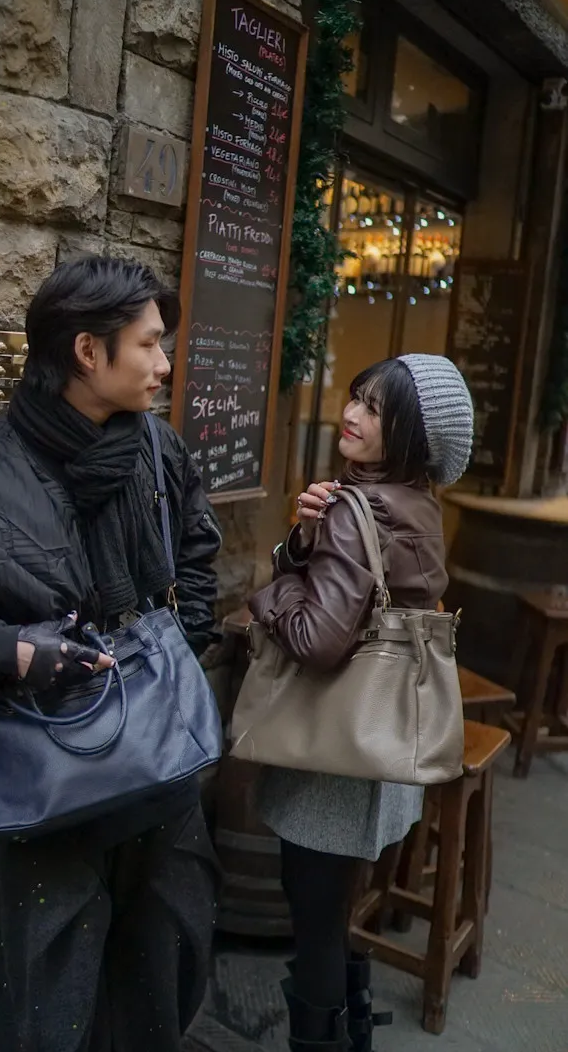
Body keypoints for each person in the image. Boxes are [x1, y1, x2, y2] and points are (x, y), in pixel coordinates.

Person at [0, 256, 223, 1052]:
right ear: (88, 352)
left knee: (161, 987)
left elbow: (196, 558)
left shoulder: (159, 451)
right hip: (42, 795)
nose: (165, 364)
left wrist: (168, 656)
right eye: (149, 344)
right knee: (38, 1017)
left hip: (160, 785)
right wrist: (9, 651)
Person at [249, 354, 474, 1052]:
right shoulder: (417, 501)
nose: (351, 414)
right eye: (356, 398)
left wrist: (270, 592)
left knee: (314, 919)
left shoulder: (356, 509)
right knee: (336, 911)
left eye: (375, 409)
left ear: (410, 433)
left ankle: (323, 1039)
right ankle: (352, 1032)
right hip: (383, 745)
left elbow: (317, 640)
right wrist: (304, 541)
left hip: (331, 754)